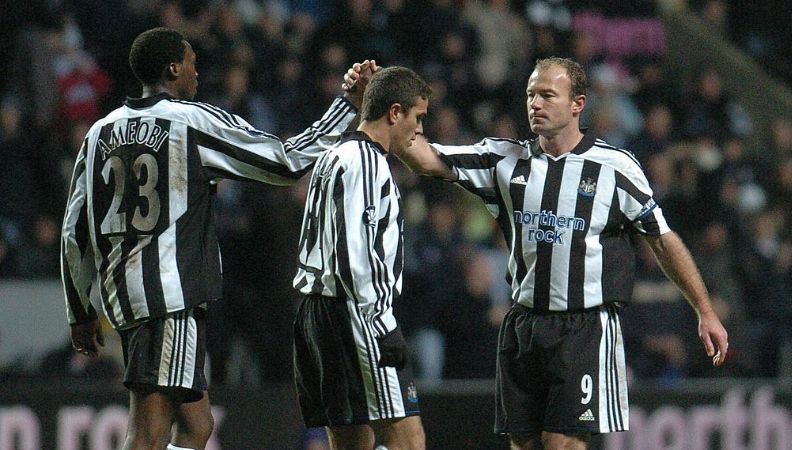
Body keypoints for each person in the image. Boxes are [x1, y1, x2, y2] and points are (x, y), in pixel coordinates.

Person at [347, 57, 729, 449]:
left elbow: (663, 239)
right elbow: (424, 157)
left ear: (578, 103)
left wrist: (705, 310)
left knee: (561, 442)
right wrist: (376, 106)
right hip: (523, 326)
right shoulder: (503, 159)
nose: (535, 104)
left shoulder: (615, 168)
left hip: (583, 328)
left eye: (548, 95)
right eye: (531, 95)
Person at [61, 27, 374, 450]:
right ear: (173, 68)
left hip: (127, 296)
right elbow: (285, 162)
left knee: (196, 427)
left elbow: (73, 230)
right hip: (170, 295)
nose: (197, 71)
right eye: (191, 62)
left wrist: (81, 310)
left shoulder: (99, 132)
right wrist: (345, 108)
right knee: (147, 431)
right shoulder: (191, 121)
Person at [293, 66, 430, 450]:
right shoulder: (367, 162)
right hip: (355, 312)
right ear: (395, 112)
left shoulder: (333, 153)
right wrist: (384, 324)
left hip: (315, 311)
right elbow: (358, 255)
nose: (418, 130)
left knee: (352, 440)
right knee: (408, 441)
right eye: (417, 117)